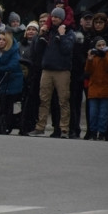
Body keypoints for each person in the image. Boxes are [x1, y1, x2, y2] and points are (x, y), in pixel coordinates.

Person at [29, 7, 74, 138]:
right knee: (43, 99)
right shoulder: (47, 31)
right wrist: (40, 35)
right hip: (47, 69)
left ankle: (64, 129)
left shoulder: (69, 31)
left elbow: (67, 49)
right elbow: (37, 50)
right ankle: (40, 126)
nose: (54, 19)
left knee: (63, 100)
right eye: (53, 17)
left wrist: (62, 35)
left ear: (62, 19)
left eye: (57, 17)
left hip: (62, 71)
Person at [0, 30, 23, 133]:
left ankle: (7, 122)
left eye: (4, 40)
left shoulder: (14, 51)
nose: (1, 42)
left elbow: (12, 66)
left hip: (11, 80)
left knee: (7, 101)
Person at [84, 37, 108, 140]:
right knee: (93, 113)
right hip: (94, 88)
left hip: (106, 88)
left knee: (104, 114)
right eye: (99, 45)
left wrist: (104, 56)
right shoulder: (93, 56)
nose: (102, 47)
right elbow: (88, 71)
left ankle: (102, 133)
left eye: (103, 45)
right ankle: (93, 132)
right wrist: (89, 60)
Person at [70, 12, 94, 138]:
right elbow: (75, 53)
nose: (88, 21)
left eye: (90, 19)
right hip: (76, 73)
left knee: (91, 104)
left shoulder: (96, 35)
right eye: (86, 19)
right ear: (81, 21)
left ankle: (91, 130)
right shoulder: (76, 35)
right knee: (75, 102)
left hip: (91, 74)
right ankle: (75, 129)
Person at [17, 21, 42, 135]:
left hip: (33, 76)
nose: (31, 31)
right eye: (29, 29)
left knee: (31, 102)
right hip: (19, 76)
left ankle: (29, 125)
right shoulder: (19, 44)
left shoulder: (39, 44)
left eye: (33, 29)